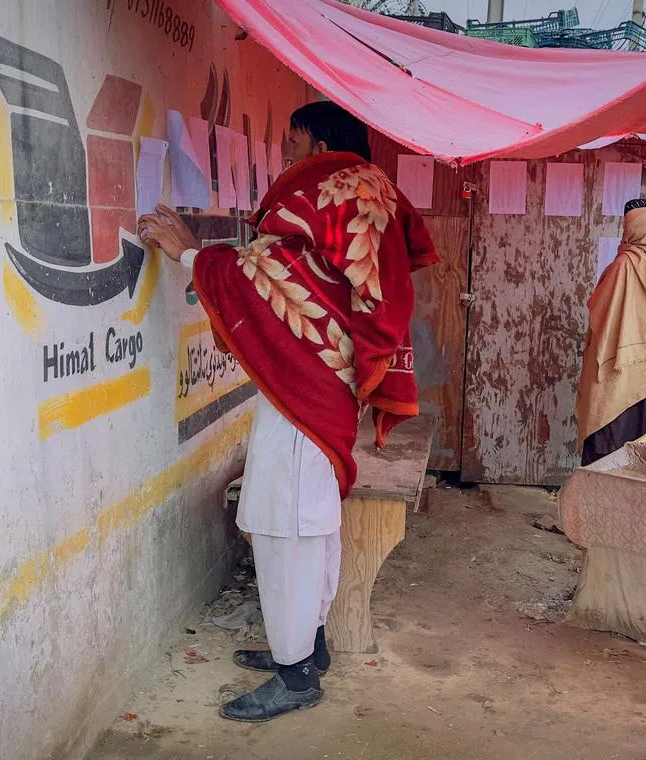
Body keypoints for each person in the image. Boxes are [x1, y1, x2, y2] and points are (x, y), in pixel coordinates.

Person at [138, 101, 438, 722]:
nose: (287, 159)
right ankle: (309, 646)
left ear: (322, 146)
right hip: (317, 388)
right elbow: (302, 280)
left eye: (293, 144)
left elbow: (271, 279)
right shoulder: (366, 195)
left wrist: (192, 255)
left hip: (306, 393)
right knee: (309, 521)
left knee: (288, 525)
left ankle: (297, 673)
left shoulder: (332, 192)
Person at [575, 199, 646, 466]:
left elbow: (600, 311)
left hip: (619, 370)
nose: (625, 229)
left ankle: (600, 502)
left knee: (608, 444)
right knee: (642, 443)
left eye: (629, 223)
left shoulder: (626, 264)